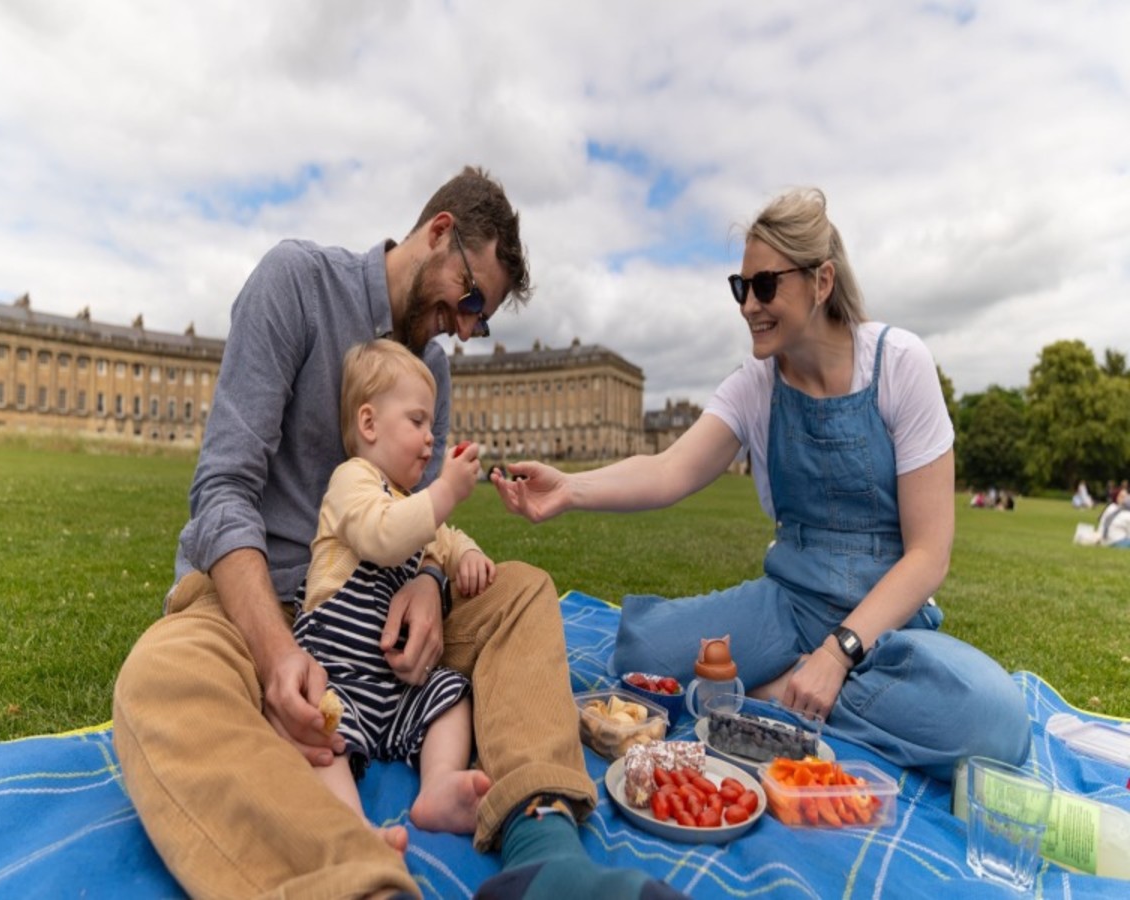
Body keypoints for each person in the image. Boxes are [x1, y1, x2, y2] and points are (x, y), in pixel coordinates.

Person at [112, 166, 685, 900]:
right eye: (471, 299)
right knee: (159, 678)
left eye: (482, 319)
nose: (468, 327)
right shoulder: (295, 283)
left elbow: (424, 516)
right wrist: (275, 650)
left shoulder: (432, 371)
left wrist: (427, 581)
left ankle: (545, 850)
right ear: (439, 233)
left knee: (521, 591)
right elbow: (223, 489)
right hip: (253, 599)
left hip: (381, 610)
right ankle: (352, 881)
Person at [495, 187, 1030, 782]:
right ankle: (797, 689)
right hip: (788, 605)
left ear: (822, 281)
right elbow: (670, 469)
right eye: (740, 287)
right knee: (642, 657)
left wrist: (836, 654)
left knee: (996, 727)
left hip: (887, 622)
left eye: (766, 286)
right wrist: (570, 487)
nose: (749, 304)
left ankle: (774, 693)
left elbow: (929, 555)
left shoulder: (899, 363)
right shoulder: (756, 383)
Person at [296, 339, 496, 848]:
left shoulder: (414, 502)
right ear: (369, 424)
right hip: (337, 671)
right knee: (320, 735)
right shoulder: (352, 482)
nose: (431, 439)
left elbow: (447, 539)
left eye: (431, 425)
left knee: (451, 696)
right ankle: (352, 827)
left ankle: (438, 787)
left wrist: (468, 557)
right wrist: (446, 492)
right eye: (417, 422)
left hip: (398, 686)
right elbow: (382, 536)